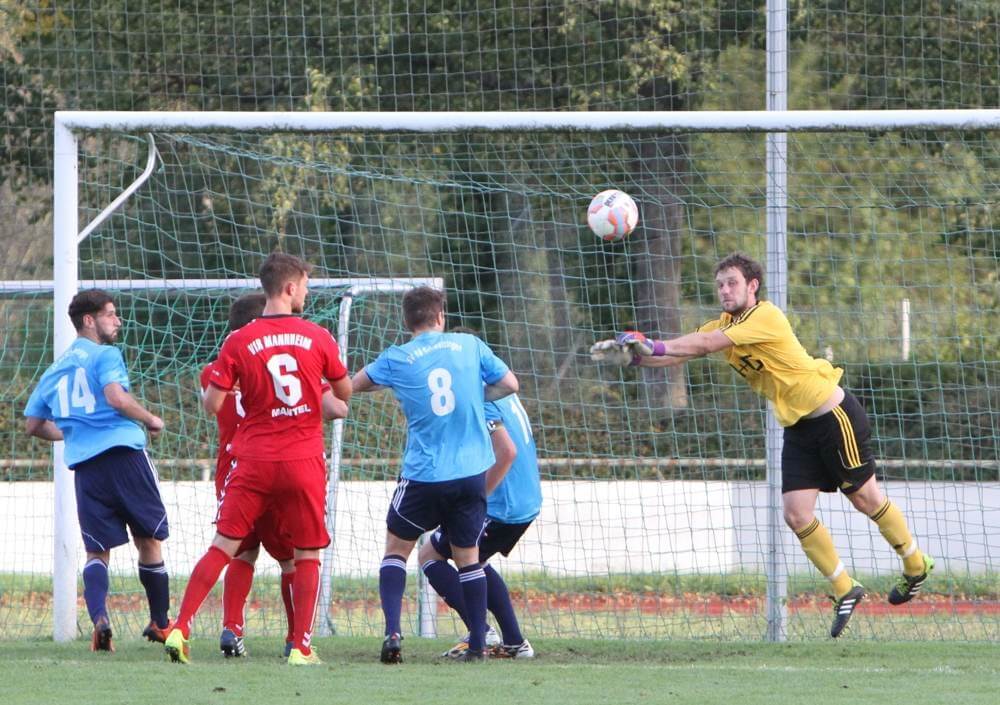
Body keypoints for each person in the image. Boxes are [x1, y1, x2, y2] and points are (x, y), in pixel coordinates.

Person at [590, 252, 934, 638]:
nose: (724, 290)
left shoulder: (764, 316)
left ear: (752, 286)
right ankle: (845, 588)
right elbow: (682, 353)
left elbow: (700, 344)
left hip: (833, 415)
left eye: (732, 282)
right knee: (796, 513)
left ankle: (915, 564)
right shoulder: (723, 325)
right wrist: (634, 359)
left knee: (865, 500)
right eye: (720, 284)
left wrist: (648, 344)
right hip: (798, 426)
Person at [165, 253, 351, 666]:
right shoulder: (317, 336)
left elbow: (212, 404)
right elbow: (342, 393)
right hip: (301, 460)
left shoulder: (238, 342)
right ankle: (301, 646)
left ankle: (181, 627)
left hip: (250, 461)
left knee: (224, 547)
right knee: (305, 554)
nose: (306, 291)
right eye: (304, 284)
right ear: (289, 288)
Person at [352, 287, 519, 663]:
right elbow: (511, 384)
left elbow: (351, 385)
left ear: (406, 321)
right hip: (469, 474)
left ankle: (393, 633)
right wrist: (476, 397)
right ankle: (478, 644)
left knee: (397, 550)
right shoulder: (469, 345)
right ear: (440, 316)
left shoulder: (397, 357)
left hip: (424, 475)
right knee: (468, 558)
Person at [24, 289, 171, 652]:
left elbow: (32, 424)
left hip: (86, 469)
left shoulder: (55, 369)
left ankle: (100, 620)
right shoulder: (105, 354)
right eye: (110, 314)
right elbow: (115, 398)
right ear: (89, 320)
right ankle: (161, 623)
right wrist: (151, 418)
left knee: (97, 552)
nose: (117, 320)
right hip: (124, 457)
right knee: (149, 539)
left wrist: (72, 430)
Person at [418, 369, 541, 660]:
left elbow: (507, 452)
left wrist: (476, 498)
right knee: (476, 560)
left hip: (503, 506)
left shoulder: (481, 402)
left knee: (429, 555)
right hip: (526, 500)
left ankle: (481, 631)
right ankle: (514, 642)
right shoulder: (502, 393)